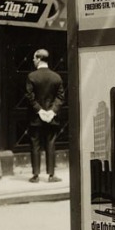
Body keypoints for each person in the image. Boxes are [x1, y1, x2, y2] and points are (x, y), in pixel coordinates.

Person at [26, 49, 65, 183]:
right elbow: (60, 97)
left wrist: (40, 111)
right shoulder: (56, 77)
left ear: (38, 58)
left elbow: (29, 97)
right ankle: (51, 175)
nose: (33, 60)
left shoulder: (31, 76)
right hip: (51, 117)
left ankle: (36, 175)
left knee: (35, 144)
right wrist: (52, 112)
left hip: (36, 117)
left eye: (34, 58)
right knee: (51, 143)